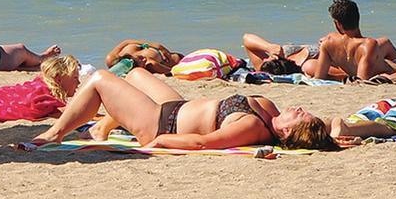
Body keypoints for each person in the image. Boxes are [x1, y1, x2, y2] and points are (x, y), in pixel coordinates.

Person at [29, 57, 338, 151]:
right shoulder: (270, 112)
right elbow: (327, 128)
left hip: (160, 124)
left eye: (300, 116)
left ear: (286, 132)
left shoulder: (251, 127)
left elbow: (203, 142)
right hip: (176, 107)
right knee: (135, 74)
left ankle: (54, 133)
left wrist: (159, 142)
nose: (299, 109)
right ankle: (103, 127)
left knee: (101, 79)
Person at [242, 0, 396, 80]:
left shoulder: (329, 41)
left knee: (386, 43)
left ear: (337, 24)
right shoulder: (368, 44)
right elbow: (362, 79)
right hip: (388, 67)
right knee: (391, 53)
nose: (268, 58)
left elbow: (319, 78)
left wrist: (271, 48)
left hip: (341, 54)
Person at [105, 40, 180, 75]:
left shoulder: (111, 58)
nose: (144, 59)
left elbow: (127, 42)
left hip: (160, 51)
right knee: (177, 57)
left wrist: (157, 46)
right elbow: (172, 71)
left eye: (140, 58)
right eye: (143, 61)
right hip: (169, 59)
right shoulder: (150, 64)